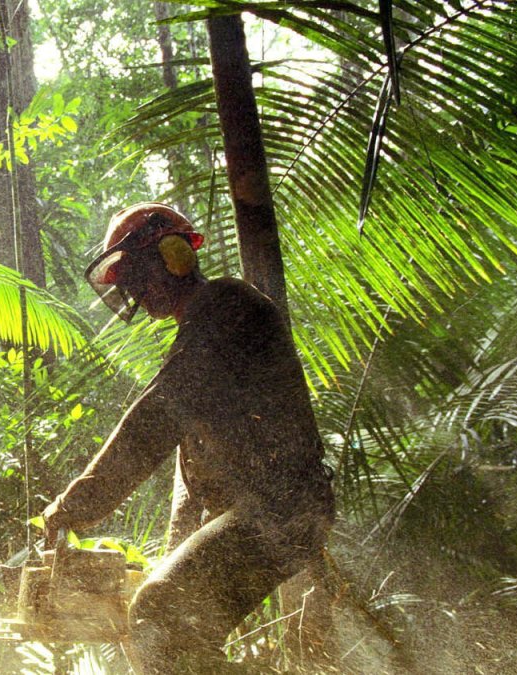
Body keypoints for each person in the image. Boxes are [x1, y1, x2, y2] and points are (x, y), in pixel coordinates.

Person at [42, 203, 334, 672]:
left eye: (136, 272)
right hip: (268, 510)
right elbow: (191, 476)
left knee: (161, 615)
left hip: (283, 505)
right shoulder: (198, 332)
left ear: (173, 255)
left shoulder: (224, 306)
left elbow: (153, 421)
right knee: (167, 617)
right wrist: (166, 559)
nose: (134, 288)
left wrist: (74, 507)